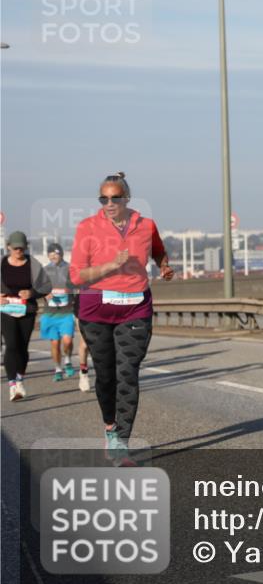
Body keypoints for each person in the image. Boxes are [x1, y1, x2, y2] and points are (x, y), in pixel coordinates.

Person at [70, 172, 174, 462]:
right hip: (95, 311)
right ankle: (109, 424)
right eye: (104, 198)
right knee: (106, 376)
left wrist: (164, 266)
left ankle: (121, 440)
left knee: (127, 373)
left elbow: (158, 251)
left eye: (115, 197)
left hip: (135, 308)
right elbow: (77, 275)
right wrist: (109, 266)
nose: (110, 202)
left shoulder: (146, 225)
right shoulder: (87, 228)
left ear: (127, 198)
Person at [1, 231, 52, 401]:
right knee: (11, 345)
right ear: (8, 247)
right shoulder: (2, 264)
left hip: (27, 311)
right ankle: (12, 385)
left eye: (21, 248)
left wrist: (31, 292)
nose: (18, 251)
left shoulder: (33, 264)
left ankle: (20, 378)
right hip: (6, 310)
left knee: (23, 347)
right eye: (15, 248)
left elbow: (46, 286)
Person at [40, 243, 77, 382]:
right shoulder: (45, 270)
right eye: (51, 253)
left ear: (61, 254)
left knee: (67, 341)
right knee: (55, 343)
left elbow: (77, 287)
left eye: (56, 253)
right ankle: (58, 368)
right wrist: (45, 294)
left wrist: (72, 292)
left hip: (66, 312)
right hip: (50, 313)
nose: (54, 256)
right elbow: (39, 289)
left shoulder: (70, 269)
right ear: (48, 255)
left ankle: (67, 359)